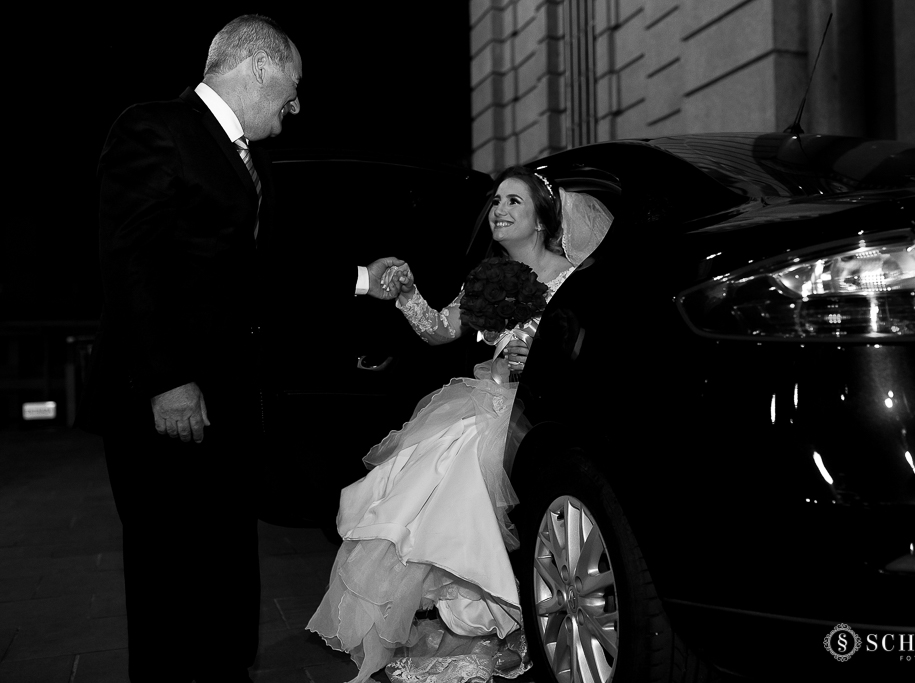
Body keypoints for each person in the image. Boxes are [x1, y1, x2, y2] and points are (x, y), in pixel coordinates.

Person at [76, 15, 404, 682]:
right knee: (170, 566)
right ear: (258, 67)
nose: (297, 102)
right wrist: (168, 379)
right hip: (165, 401)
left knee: (223, 555)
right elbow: (129, 262)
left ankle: (226, 668)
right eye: (294, 84)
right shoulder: (154, 128)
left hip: (228, 398)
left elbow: (269, 270)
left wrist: (367, 278)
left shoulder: (253, 164)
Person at [307, 166, 613, 682]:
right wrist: (405, 293)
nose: (499, 210)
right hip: (486, 404)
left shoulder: (573, 277)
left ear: (541, 218)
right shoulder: (486, 278)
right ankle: (498, 632)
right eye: (496, 201)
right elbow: (439, 331)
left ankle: (525, 624)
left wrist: (536, 356)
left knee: (482, 507)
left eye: (514, 201)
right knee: (428, 495)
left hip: (540, 413)